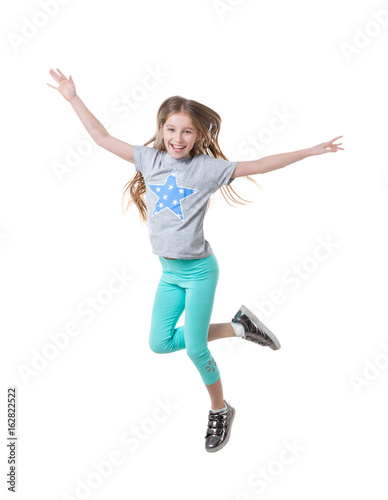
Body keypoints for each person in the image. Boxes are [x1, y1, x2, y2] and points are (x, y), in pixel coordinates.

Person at [47, 68, 344, 453]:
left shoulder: (208, 169)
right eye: (171, 129)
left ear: (199, 135)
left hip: (200, 271)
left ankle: (220, 409)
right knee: (159, 343)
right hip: (169, 273)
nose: (178, 138)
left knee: (194, 349)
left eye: (187, 131)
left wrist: (308, 151)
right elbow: (101, 137)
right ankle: (240, 328)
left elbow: (258, 164)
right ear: (161, 129)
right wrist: (72, 98)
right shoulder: (148, 160)